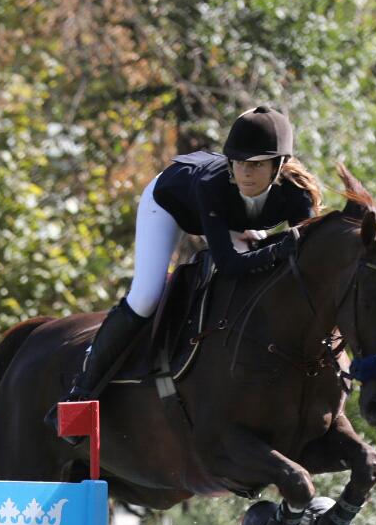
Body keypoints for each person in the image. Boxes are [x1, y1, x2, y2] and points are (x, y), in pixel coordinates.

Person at [49, 106, 324, 435]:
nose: (245, 173)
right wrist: (279, 248)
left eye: (256, 165)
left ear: (279, 165)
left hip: (229, 219)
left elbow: (306, 267)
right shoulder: (215, 184)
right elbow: (230, 264)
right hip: (170, 204)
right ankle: (82, 390)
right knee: (147, 295)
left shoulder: (297, 195)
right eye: (238, 163)